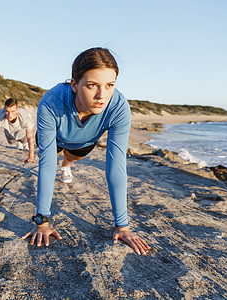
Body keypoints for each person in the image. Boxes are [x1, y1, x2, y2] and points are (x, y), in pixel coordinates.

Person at [22, 48, 151, 255]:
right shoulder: (50, 102)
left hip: (83, 144)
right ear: (74, 84)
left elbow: (116, 166)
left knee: (68, 160)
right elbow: (46, 165)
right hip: (54, 139)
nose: (102, 95)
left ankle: (67, 164)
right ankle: (62, 162)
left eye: (110, 85)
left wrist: (122, 226)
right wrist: (42, 221)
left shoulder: (118, 107)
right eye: (92, 85)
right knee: (51, 161)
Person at [0, 98, 36, 163]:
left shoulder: (25, 116)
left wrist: (31, 157)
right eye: (7, 111)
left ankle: (24, 143)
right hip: (9, 130)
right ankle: (18, 142)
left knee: (24, 139)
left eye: (12, 111)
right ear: (4, 109)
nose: (9, 115)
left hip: (22, 129)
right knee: (11, 141)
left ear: (17, 110)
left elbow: (30, 136)